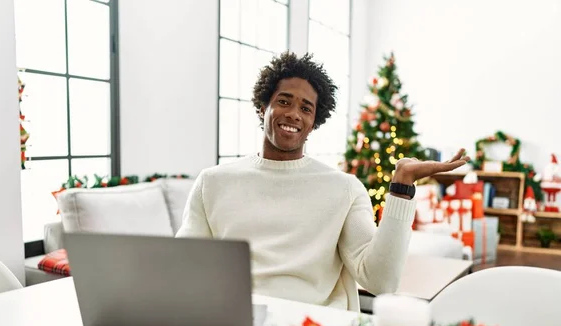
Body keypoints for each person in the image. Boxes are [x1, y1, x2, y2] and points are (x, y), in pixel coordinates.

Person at [176, 52, 469, 311]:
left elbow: (380, 280)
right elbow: (182, 267)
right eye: (283, 101)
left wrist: (402, 187)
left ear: (314, 122)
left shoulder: (343, 189)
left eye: (306, 108)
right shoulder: (213, 182)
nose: (293, 113)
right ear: (262, 107)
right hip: (237, 321)